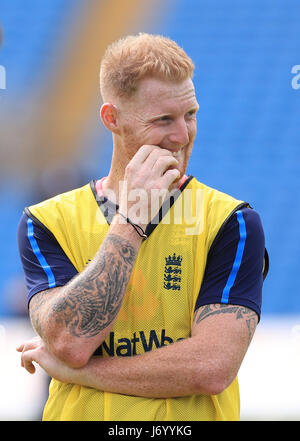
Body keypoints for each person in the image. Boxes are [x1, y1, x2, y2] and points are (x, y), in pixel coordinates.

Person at [16, 33, 268, 421]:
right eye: (163, 120)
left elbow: (210, 368)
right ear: (112, 119)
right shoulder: (46, 222)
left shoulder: (231, 221)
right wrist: (131, 222)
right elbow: (71, 342)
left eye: (190, 115)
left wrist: (79, 374)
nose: (183, 136)